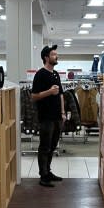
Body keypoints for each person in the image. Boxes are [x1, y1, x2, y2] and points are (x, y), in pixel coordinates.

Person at [32, 45, 65, 187]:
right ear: (46, 57)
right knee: (45, 146)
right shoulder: (40, 74)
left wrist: (63, 112)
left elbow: (61, 95)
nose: (56, 56)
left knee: (52, 146)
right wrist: (49, 92)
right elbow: (34, 96)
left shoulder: (56, 74)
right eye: (53, 54)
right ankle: (43, 175)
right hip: (46, 117)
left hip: (57, 116)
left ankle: (48, 171)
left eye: (56, 54)